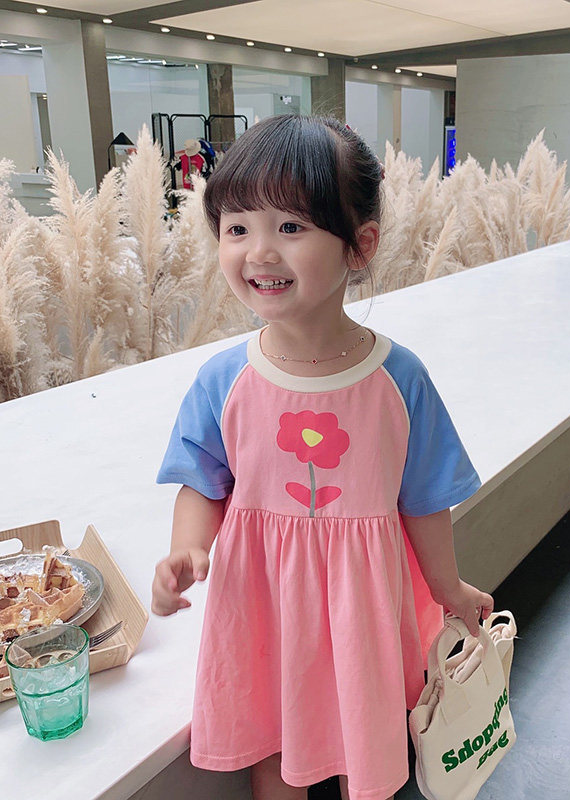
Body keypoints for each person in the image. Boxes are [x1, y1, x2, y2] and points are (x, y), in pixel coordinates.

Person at [151, 114, 494, 800]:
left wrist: (447, 588)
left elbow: (425, 499)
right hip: (262, 605)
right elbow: (202, 480)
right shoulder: (224, 379)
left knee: (363, 746)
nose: (259, 252)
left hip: (360, 608)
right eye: (237, 228)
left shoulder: (399, 380)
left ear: (359, 245)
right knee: (274, 747)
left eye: (290, 226)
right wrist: (188, 550)